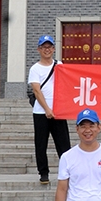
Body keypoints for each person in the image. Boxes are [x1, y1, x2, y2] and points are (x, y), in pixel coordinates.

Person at [28, 34, 70, 184]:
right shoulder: (35, 68)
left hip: (58, 111)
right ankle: (43, 173)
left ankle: (67, 172)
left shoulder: (60, 65)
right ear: (39, 49)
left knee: (64, 144)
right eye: (43, 47)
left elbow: (66, 84)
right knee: (41, 144)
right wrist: (47, 109)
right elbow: (37, 91)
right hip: (41, 112)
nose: (47, 50)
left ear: (53, 49)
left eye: (49, 47)